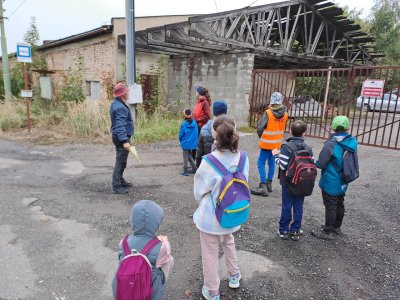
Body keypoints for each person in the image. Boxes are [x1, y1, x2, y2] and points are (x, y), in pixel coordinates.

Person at [193, 115, 249, 300]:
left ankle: (212, 290)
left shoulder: (209, 160)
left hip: (211, 217)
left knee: (209, 253)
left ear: (213, 134)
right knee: (228, 241)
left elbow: (199, 191)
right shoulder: (243, 157)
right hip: (232, 213)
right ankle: (234, 276)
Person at [112, 200, 174, 299]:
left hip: (124, 287)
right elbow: (166, 256)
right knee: (169, 259)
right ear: (157, 223)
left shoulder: (123, 242)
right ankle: (160, 286)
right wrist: (164, 241)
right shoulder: (162, 247)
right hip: (148, 290)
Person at [311, 116, 358, 239]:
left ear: (332, 127)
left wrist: (314, 162)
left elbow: (321, 163)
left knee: (330, 205)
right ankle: (336, 227)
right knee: (339, 202)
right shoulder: (351, 142)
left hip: (331, 180)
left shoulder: (331, 144)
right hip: (344, 179)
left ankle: (327, 231)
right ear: (348, 128)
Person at [272, 120, 313, 241]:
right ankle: (295, 230)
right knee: (299, 206)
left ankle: (284, 230)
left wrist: (275, 155)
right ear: (304, 133)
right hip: (302, 182)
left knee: (286, 205)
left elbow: (282, 166)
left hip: (288, 182)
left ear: (290, 131)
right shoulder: (308, 148)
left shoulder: (286, 147)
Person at [251, 92, 288, 196]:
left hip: (266, 144)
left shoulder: (268, 113)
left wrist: (262, 136)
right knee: (272, 163)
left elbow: (260, 128)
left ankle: (262, 185)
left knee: (261, 162)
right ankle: (269, 183)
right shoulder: (285, 114)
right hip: (277, 144)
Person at [110, 83, 134, 194]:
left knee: (122, 161)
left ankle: (120, 180)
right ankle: (117, 186)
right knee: (120, 162)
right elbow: (120, 125)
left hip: (118, 136)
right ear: (121, 95)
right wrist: (125, 141)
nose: (127, 93)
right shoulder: (120, 107)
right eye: (126, 92)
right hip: (121, 138)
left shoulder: (116, 103)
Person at [196, 101, 228, 167]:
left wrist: (198, 166)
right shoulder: (230, 128)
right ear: (225, 112)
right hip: (224, 166)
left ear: (214, 112)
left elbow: (199, 151)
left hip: (208, 165)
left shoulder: (205, 128)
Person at [179, 108, 198, 176]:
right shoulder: (195, 123)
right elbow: (196, 134)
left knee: (185, 157)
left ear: (184, 116)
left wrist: (181, 141)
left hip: (185, 143)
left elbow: (181, 135)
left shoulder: (183, 124)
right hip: (192, 143)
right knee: (189, 156)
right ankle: (195, 169)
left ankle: (185, 170)